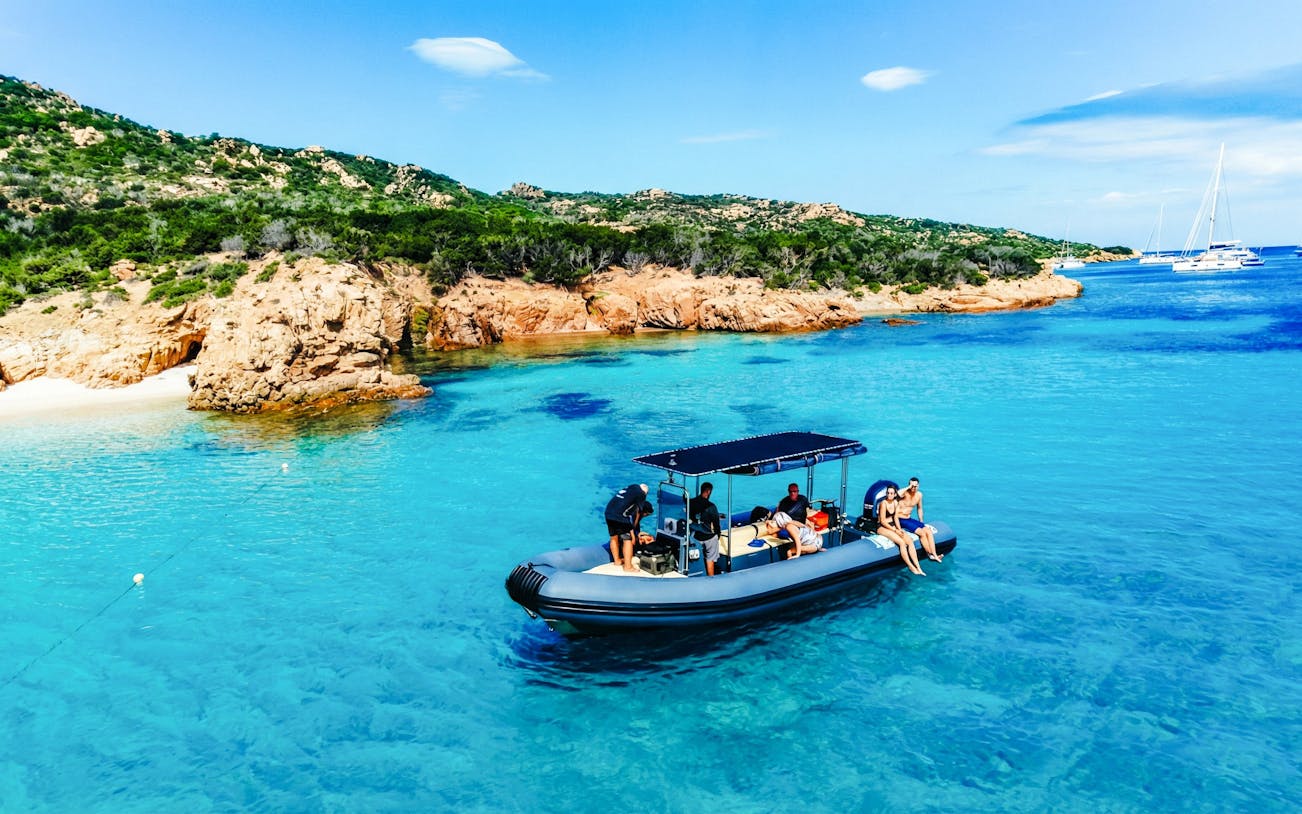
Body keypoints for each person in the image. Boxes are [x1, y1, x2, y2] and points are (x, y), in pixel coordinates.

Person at [876, 484, 925, 576]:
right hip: (882, 527)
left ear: (895, 495)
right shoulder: (883, 503)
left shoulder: (895, 503)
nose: (889, 495)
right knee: (902, 543)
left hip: (893, 526)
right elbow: (882, 521)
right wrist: (895, 531)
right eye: (888, 493)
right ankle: (910, 566)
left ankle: (918, 566)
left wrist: (899, 529)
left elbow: (895, 517)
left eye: (891, 493)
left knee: (909, 541)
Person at [605, 483, 653, 572]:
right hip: (620, 516)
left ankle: (617, 561)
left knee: (613, 537)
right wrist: (633, 532)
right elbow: (638, 512)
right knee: (628, 540)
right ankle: (628, 567)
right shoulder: (641, 494)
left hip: (609, 512)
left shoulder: (632, 487)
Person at [898, 477, 941, 562]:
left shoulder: (919, 495)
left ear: (918, 486)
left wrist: (921, 520)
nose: (913, 488)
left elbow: (919, 508)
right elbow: (898, 494)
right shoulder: (905, 493)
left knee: (928, 531)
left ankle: (935, 554)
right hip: (900, 519)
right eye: (912, 486)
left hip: (909, 518)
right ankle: (930, 554)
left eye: (915, 486)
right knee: (922, 533)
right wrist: (908, 487)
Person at [689, 481, 722, 576]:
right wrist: (718, 534)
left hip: (696, 537)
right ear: (708, 491)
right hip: (708, 538)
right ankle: (711, 579)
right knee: (710, 559)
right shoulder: (711, 507)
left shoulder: (691, 502)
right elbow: (716, 524)